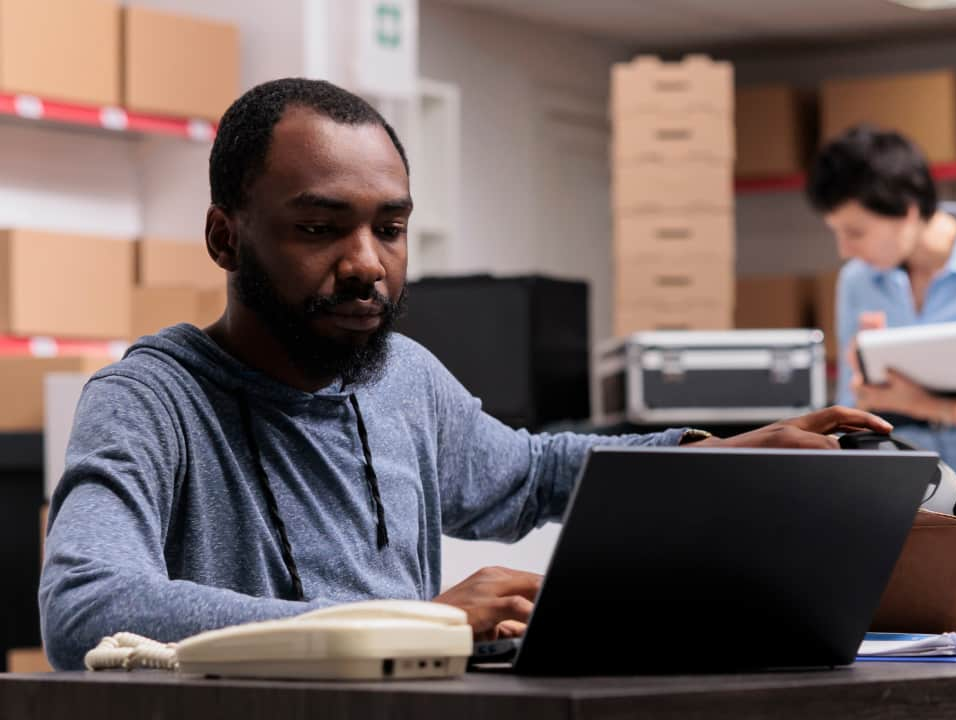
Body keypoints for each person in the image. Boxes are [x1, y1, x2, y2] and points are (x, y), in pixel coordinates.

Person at [37, 79, 892, 671]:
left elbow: (529, 473)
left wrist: (722, 454)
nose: (368, 264)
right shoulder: (149, 401)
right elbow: (87, 609)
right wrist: (419, 623)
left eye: (392, 228)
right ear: (226, 238)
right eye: (319, 228)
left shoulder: (401, 377)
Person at [806, 125, 956, 507]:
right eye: (836, 233)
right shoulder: (857, 280)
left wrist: (925, 406)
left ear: (907, 211)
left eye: (855, 232)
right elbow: (848, 409)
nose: (844, 249)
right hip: (895, 495)